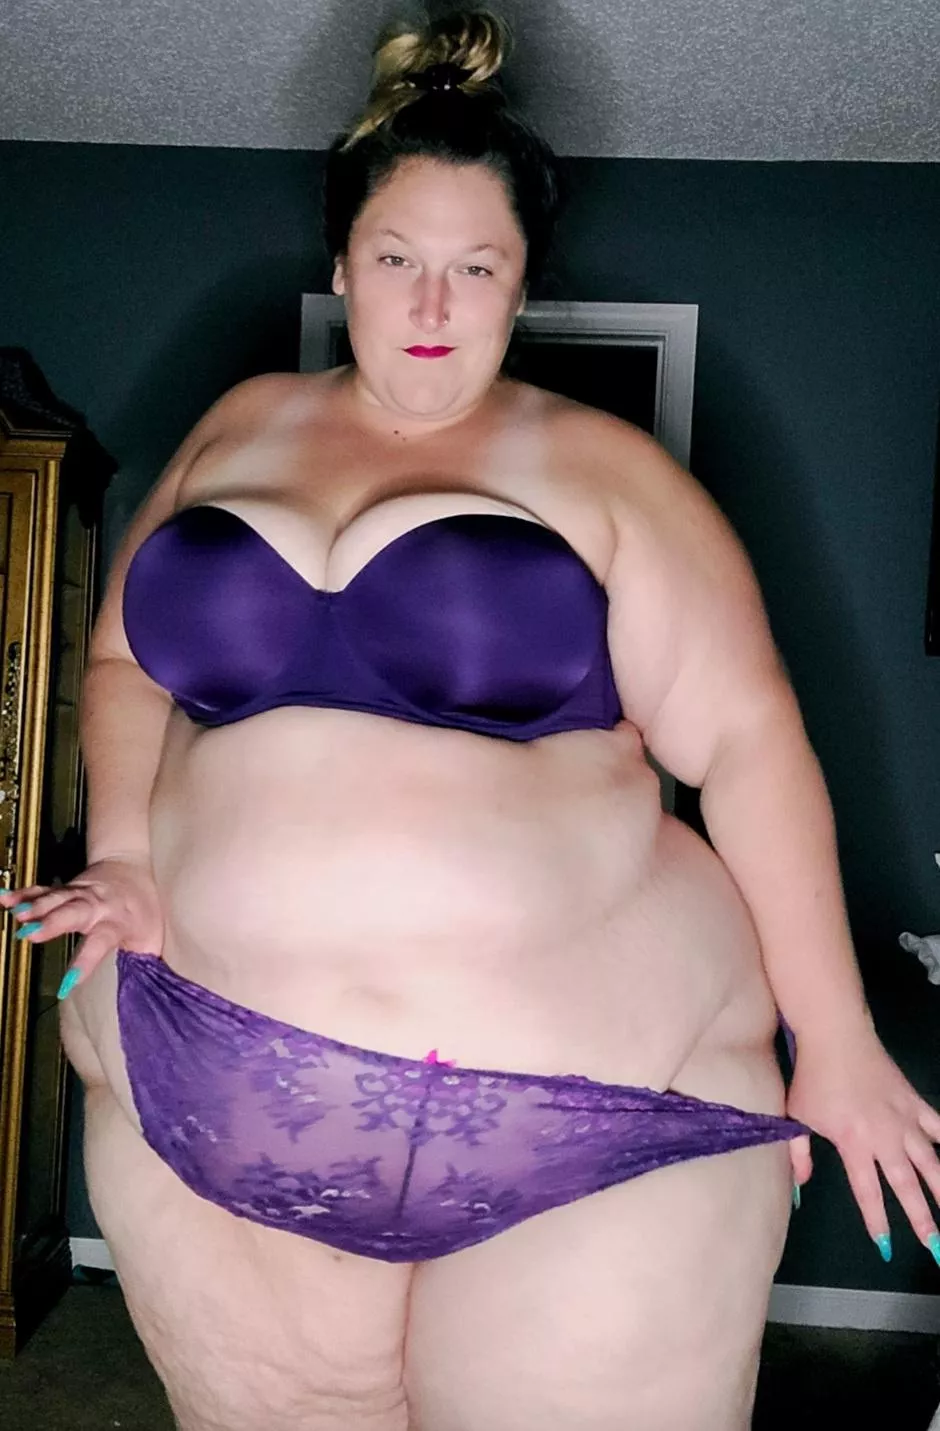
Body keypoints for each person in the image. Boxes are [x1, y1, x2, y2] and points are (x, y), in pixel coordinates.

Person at [4, 9, 939, 1429]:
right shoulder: (239, 426)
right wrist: (127, 855)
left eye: (477, 267)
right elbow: (128, 661)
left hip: (592, 1121)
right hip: (210, 1073)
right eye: (398, 260)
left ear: (520, 288)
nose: (433, 303)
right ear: (342, 266)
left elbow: (747, 747)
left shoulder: (606, 470)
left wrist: (841, 1041)